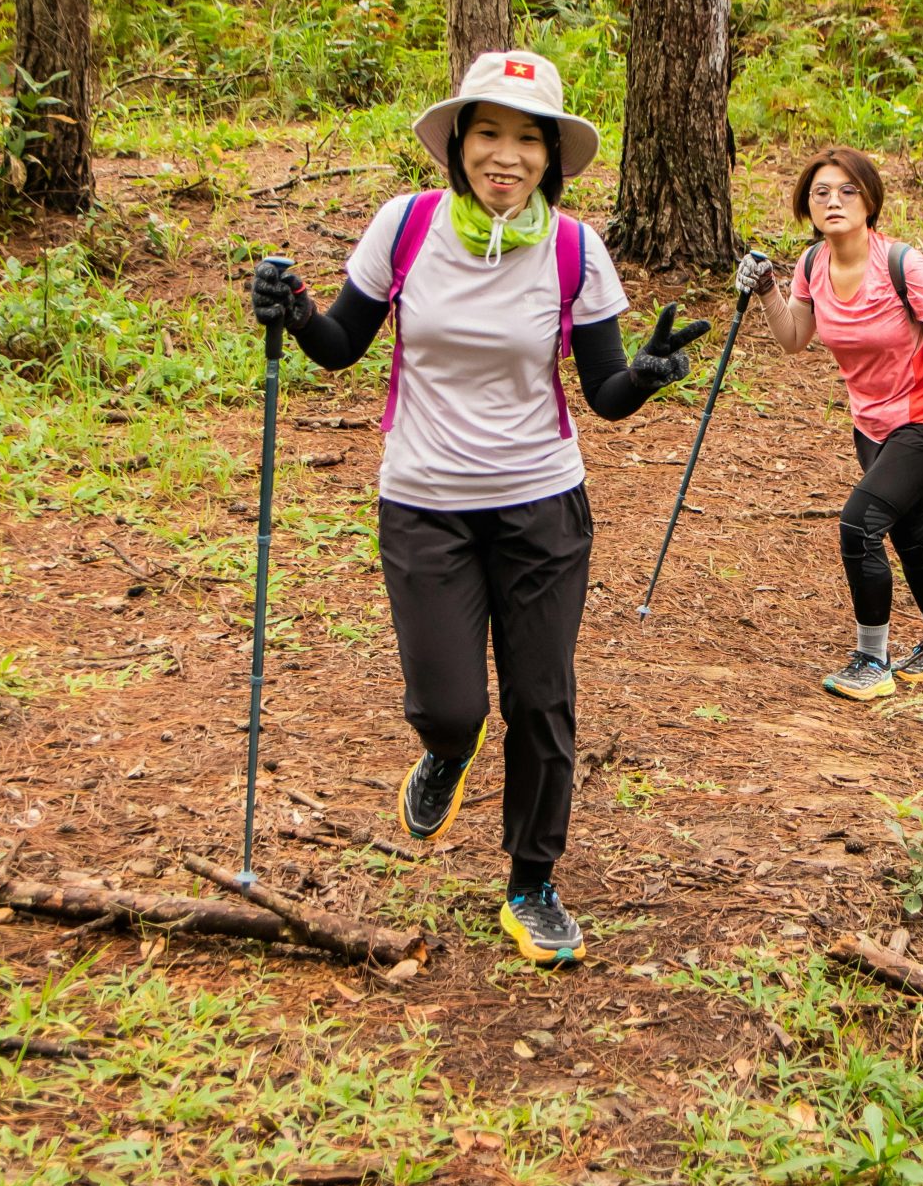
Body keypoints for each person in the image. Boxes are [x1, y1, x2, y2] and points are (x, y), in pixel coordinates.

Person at [250, 49, 708, 965]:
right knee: (454, 705)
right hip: (423, 502)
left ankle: (532, 881)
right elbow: (341, 345)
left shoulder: (575, 249)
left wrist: (647, 376)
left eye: (527, 139)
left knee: (541, 700)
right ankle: (447, 753)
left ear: (552, 157)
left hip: (542, 502)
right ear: (458, 144)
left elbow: (606, 390)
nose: (506, 154)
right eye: (488, 133)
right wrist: (294, 310)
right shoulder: (406, 226)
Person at [736, 147, 923, 701]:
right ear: (808, 206)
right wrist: (766, 290)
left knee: (859, 525)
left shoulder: (904, 266)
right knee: (912, 534)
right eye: (821, 193)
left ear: (870, 201)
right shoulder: (813, 266)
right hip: (872, 424)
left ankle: (872, 660)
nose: (833, 201)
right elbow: (794, 339)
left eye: (847, 191)